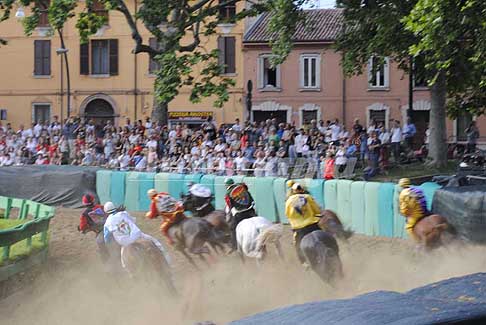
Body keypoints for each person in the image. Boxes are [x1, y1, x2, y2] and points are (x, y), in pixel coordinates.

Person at [103, 201, 171, 266]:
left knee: (124, 262)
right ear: (114, 207)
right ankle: (167, 261)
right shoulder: (124, 213)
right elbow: (133, 221)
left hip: (126, 243)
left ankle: (130, 274)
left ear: (106, 212)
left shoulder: (107, 223)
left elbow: (106, 239)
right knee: (156, 243)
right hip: (137, 236)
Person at [285, 182, 321, 267]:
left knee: (297, 245)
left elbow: (288, 214)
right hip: (312, 224)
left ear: (293, 191)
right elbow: (317, 210)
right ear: (302, 190)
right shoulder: (308, 197)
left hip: (299, 228)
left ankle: (303, 262)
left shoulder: (289, 201)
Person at [224, 178, 256, 252]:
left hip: (241, 214)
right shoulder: (242, 186)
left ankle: (234, 246)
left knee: (232, 228)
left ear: (226, 185)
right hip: (251, 210)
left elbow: (230, 206)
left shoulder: (227, 194)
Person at [77, 194, 109, 262]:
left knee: (101, 245)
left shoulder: (85, 214)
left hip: (101, 232)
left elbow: (83, 227)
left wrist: (80, 227)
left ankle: (106, 261)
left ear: (84, 203)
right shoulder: (101, 207)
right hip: (111, 226)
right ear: (93, 200)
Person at [398, 178, 429, 243]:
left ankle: (418, 242)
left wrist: (404, 213)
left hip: (416, 215)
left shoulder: (403, 194)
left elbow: (404, 208)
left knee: (408, 227)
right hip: (425, 211)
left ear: (401, 185)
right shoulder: (417, 189)